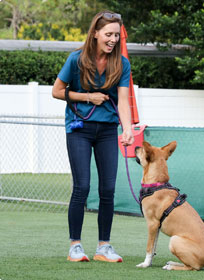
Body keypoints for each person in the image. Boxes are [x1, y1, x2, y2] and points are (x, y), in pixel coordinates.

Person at [52, 10, 134, 263]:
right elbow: (57, 91)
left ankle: (104, 247)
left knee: (108, 189)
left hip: (108, 131)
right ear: (95, 34)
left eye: (116, 36)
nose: (112, 40)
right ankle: (75, 246)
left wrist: (128, 128)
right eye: (108, 34)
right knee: (82, 187)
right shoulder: (76, 60)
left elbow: (123, 100)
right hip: (79, 130)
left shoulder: (121, 63)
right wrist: (88, 96)